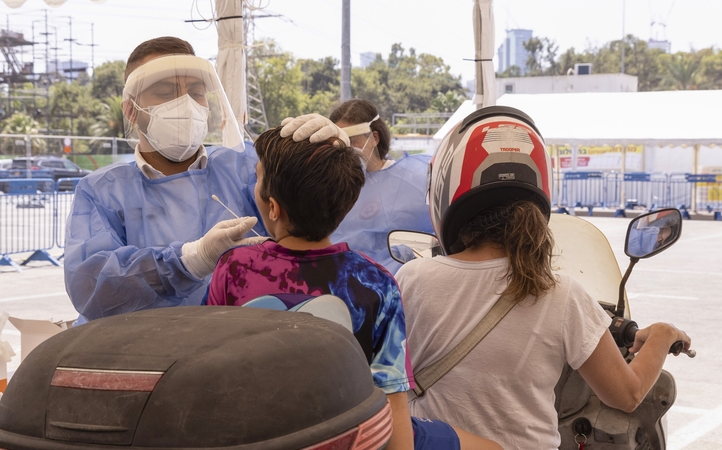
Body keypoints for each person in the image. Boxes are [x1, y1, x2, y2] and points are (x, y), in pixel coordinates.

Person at [395, 106, 692, 449]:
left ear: (446, 189)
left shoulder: (411, 280)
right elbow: (628, 395)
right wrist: (662, 335)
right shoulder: (562, 295)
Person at [205, 127, 501, 450]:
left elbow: (209, 374)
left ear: (273, 208)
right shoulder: (376, 284)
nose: (254, 185)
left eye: (257, 178)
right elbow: (394, 412)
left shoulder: (234, 269)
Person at [64, 37, 341, 322]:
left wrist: (328, 157)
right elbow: (90, 288)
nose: (184, 103)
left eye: (195, 92)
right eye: (165, 91)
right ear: (131, 110)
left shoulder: (246, 166)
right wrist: (190, 260)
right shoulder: (103, 191)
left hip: (242, 345)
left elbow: (317, 215)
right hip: (143, 351)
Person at [329, 100, 433, 274]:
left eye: (353, 141)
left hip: (401, 283)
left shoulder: (413, 180)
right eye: (341, 144)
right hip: (346, 282)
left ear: (374, 138)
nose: (347, 150)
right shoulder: (334, 189)